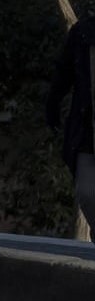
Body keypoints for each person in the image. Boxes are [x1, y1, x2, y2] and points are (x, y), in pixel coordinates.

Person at [46, 15, 95, 243]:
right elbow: (64, 72)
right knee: (86, 192)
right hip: (88, 131)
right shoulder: (82, 33)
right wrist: (53, 103)